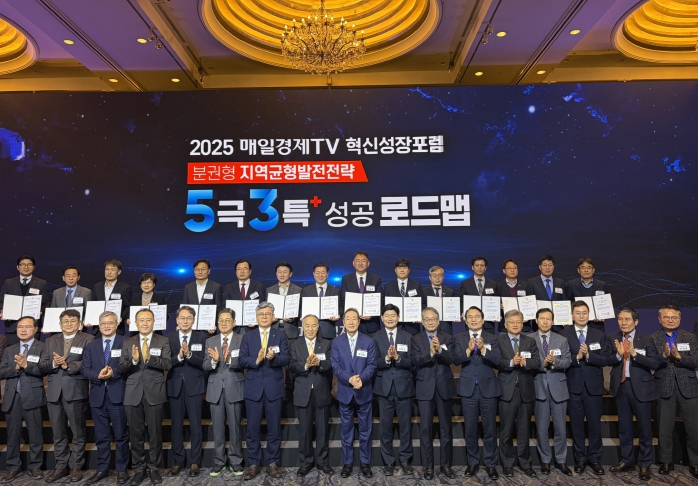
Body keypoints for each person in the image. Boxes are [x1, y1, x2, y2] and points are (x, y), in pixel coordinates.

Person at [117, 308, 172, 485]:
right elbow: (121, 368)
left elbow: (168, 364)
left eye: (148, 320)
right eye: (141, 320)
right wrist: (134, 361)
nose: (145, 323)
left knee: (155, 434)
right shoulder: (128, 342)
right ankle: (139, 469)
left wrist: (150, 359)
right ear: (135, 323)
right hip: (133, 393)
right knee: (136, 434)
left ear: (154, 322)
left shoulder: (163, 340)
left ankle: (154, 468)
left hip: (155, 393)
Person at [41, 308, 95, 483]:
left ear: (79, 324)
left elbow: (89, 363)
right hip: (54, 393)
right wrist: (54, 363)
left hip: (76, 391)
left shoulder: (88, 339)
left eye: (73, 321)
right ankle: (61, 465)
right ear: (60, 324)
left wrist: (68, 365)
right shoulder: (50, 340)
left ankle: (76, 466)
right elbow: (43, 364)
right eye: (66, 321)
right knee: (58, 432)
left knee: (78, 432)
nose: (69, 324)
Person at [559, 300, 611, 475]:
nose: (581, 316)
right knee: (577, 426)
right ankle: (580, 459)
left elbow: (605, 359)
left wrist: (589, 355)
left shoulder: (599, 335)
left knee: (595, 425)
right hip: (573, 386)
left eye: (584, 313)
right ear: (572, 315)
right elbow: (561, 360)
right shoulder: (563, 335)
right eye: (578, 313)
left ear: (589, 315)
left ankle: (595, 459)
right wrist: (577, 357)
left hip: (594, 387)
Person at [239, 302, 289, 480]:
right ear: (256, 317)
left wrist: (274, 358)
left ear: (273, 317)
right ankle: (253, 463)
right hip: (253, 389)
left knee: (274, 429)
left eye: (268, 314)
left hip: (274, 388)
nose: (265, 317)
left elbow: (286, 359)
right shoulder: (248, 336)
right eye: (261, 314)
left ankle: (272, 463)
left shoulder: (280, 335)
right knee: (252, 429)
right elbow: (242, 360)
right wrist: (257, 360)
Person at [607, 307, 659, 481]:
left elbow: (655, 363)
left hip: (641, 388)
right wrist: (618, 355)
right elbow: (606, 359)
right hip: (621, 386)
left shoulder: (646, 339)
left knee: (644, 428)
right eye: (620, 319)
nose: (623, 322)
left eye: (627, 319)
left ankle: (644, 464)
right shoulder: (613, 338)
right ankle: (627, 460)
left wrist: (635, 354)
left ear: (636, 322)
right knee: (624, 427)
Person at [80, 311, 129, 485]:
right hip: (98, 396)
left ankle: (122, 470)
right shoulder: (91, 345)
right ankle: (102, 469)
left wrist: (113, 373)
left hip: (118, 395)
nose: (106, 326)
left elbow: (128, 365)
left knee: (121, 436)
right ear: (99, 326)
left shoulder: (125, 342)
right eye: (103, 324)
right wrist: (97, 375)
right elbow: (84, 369)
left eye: (110, 323)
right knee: (101, 436)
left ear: (117, 324)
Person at [651, 305, 698, 479]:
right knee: (664, 428)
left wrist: (679, 357)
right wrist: (663, 357)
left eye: (674, 317)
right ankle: (666, 461)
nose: (670, 320)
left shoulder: (690, 337)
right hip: (664, 385)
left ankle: (695, 463)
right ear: (659, 319)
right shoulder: (652, 338)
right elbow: (652, 362)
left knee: (694, 428)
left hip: (689, 386)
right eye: (666, 317)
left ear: (679, 319)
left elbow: (696, 360)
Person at [454, 306, 501, 480]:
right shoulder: (459, 338)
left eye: (477, 317)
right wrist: (467, 350)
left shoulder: (492, 338)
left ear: (482, 319)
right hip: (468, 389)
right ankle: (472, 463)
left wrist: (483, 350)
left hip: (488, 388)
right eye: (470, 317)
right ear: (465, 321)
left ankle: (491, 464)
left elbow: (498, 361)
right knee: (470, 429)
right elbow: (455, 360)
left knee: (490, 429)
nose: (473, 320)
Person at [0, 316, 49, 482]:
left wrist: (27, 365)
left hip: (33, 395)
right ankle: (12, 467)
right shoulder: (10, 349)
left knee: (35, 434)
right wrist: (15, 368)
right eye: (20, 326)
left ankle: (35, 466)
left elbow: (44, 369)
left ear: (35, 329)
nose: (23, 329)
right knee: (12, 435)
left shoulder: (43, 347)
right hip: (12, 397)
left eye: (27, 327)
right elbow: (1, 371)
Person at [331, 308, 377, 479]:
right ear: (343, 322)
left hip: (363, 390)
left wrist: (360, 378)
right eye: (348, 319)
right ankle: (348, 463)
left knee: (365, 430)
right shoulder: (336, 342)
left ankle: (365, 463)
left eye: (354, 319)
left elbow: (372, 365)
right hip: (345, 391)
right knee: (346, 430)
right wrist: (350, 379)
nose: (351, 322)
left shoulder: (368, 341)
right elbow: (335, 366)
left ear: (359, 321)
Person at [412, 307, 456, 480]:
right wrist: (430, 353)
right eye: (427, 319)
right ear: (422, 322)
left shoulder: (447, 338)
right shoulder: (416, 339)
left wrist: (439, 350)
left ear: (438, 321)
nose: (430, 322)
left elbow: (452, 359)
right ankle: (428, 466)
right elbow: (415, 360)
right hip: (425, 388)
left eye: (433, 319)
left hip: (444, 388)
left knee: (446, 429)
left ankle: (446, 465)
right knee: (425, 429)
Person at [495, 309, 540, 478]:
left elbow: (537, 363)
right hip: (507, 391)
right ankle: (507, 464)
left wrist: (525, 362)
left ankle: (525, 464)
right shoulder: (498, 341)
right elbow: (496, 362)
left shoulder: (530, 341)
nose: (515, 325)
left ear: (522, 324)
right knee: (506, 431)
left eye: (518, 322)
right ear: (506, 325)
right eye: (512, 322)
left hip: (525, 391)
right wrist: (511, 362)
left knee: (524, 430)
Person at [372, 304, 415, 476]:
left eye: (393, 315)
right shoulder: (375, 337)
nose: (390, 318)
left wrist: (398, 358)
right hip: (384, 388)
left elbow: (413, 362)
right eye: (387, 315)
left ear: (398, 318)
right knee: (385, 427)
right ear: (382, 318)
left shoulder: (408, 337)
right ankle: (388, 461)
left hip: (404, 387)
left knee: (405, 426)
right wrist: (386, 359)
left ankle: (405, 459)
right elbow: (373, 362)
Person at [289, 314, 334, 477]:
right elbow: (291, 365)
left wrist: (319, 363)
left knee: (322, 430)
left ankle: (323, 462)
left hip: (321, 392)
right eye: (307, 325)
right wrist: (306, 365)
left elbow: (331, 363)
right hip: (303, 393)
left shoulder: (327, 343)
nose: (310, 329)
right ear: (302, 327)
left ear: (318, 327)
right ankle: (306, 462)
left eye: (313, 325)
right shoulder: (295, 344)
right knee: (305, 430)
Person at [528, 308, 572, 476]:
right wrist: (543, 364)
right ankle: (545, 460)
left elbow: (567, 361)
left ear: (552, 322)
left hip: (558, 388)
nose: (545, 322)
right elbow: (528, 362)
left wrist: (554, 362)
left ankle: (561, 460)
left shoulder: (561, 339)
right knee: (542, 428)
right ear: (536, 320)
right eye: (542, 318)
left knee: (561, 428)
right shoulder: (529, 339)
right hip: (538, 387)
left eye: (548, 319)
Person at [202, 308, 245, 477]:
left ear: (234, 323)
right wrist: (214, 361)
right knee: (218, 429)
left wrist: (230, 360)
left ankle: (236, 460)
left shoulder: (242, 339)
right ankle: (219, 461)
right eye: (221, 320)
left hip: (234, 386)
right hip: (215, 389)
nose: (224, 323)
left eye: (227, 320)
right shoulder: (210, 340)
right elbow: (205, 365)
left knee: (235, 427)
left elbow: (244, 362)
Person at [166, 306, 207, 477]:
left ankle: (195, 461)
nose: (185, 321)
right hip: (175, 386)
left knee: (196, 426)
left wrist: (189, 355)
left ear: (193, 320)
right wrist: (179, 357)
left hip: (194, 386)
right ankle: (178, 462)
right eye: (182, 318)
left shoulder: (202, 338)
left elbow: (204, 362)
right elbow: (165, 362)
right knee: (176, 426)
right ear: (176, 320)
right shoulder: (168, 339)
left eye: (188, 318)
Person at [0, 255, 49, 345]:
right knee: (12, 352)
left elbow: (46, 302)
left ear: (33, 267)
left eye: (29, 264)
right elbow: (1, 301)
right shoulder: (9, 282)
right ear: (18, 267)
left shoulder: (41, 283)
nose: (26, 267)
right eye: (23, 264)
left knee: (32, 352)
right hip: (12, 327)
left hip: (33, 327)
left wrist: (40, 311)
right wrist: (3, 311)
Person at [339, 251, 383, 335]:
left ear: (368, 263)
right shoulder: (346, 279)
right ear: (353, 263)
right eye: (357, 261)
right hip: (353, 324)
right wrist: (353, 315)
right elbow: (343, 299)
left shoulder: (376, 279)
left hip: (372, 324)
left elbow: (380, 300)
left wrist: (372, 315)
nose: (360, 263)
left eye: (363, 261)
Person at [223, 259, 267, 335]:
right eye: (239, 269)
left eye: (245, 268)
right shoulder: (229, 288)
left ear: (250, 271)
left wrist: (257, 320)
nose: (242, 271)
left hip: (253, 328)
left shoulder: (259, 287)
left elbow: (263, 306)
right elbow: (224, 307)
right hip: (234, 328)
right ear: (236, 272)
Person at [565, 257, 609, 332]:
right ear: (578, 270)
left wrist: (603, 315)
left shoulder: (602, 285)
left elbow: (606, 304)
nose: (586, 270)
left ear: (593, 270)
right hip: (577, 325)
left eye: (589, 267)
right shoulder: (571, 284)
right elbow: (568, 303)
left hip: (597, 325)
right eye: (583, 268)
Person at [383, 258, 425, 335]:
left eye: (404, 268)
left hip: (412, 326)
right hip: (394, 326)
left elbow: (422, 304)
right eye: (399, 268)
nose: (402, 270)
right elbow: (384, 306)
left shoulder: (416, 285)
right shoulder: (388, 286)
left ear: (409, 270)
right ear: (395, 270)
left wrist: (420, 315)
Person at [301, 262, 341, 340]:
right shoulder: (306, 290)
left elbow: (340, 308)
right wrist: (302, 315)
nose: (320, 275)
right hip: (310, 330)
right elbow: (301, 307)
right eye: (318, 273)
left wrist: (337, 314)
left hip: (328, 330)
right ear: (314, 274)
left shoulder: (335, 291)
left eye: (323, 273)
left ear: (327, 274)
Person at [92, 259, 133, 336]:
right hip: (98, 328)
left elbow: (128, 307)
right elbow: (93, 304)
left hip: (117, 328)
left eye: (112, 270)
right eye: (107, 269)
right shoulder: (97, 287)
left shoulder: (124, 288)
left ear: (119, 272)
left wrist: (121, 317)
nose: (109, 272)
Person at [459, 257, 497, 335]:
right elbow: (461, 300)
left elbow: (496, 300)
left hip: (488, 324)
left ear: (485, 268)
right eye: (477, 265)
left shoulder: (493, 283)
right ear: (472, 267)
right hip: (472, 323)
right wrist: (462, 311)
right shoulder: (465, 283)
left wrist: (497, 312)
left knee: (489, 342)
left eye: (482, 265)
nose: (479, 267)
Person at [527, 255, 566, 332]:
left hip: (557, 324)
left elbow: (564, 300)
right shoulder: (532, 282)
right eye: (545, 265)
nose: (547, 268)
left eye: (550, 265)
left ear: (553, 267)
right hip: (539, 324)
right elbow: (529, 302)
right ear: (540, 267)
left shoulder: (560, 282)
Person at [267, 262, 303, 340]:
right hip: (273, 329)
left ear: (290, 274)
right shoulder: (269, 291)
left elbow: (301, 309)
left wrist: (293, 318)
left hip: (291, 331)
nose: (282, 274)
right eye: (279, 272)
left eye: (285, 272)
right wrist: (270, 317)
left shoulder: (298, 290)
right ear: (276, 274)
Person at [496, 259, 533, 333]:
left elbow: (531, 303)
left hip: (524, 326)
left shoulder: (526, 285)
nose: (512, 270)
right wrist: (498, 306)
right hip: (505, 327)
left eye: (514, 268)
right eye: (509, 268)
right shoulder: (498, 286)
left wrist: (528, 316)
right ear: (504, 271)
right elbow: (494, 303)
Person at [422, 265, 456, 335]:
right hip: (429, 325)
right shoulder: (423, 291)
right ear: (430, 277)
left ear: (443, 277)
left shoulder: (450, 291)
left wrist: (456, 315)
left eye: (440, 275)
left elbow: (454, 308)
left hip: (446, 327)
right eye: (434, 276)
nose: (437, 278)